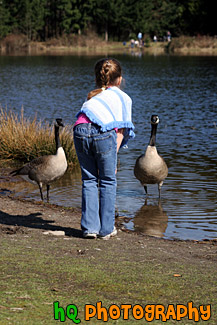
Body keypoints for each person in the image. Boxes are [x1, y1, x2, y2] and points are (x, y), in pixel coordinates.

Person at [73, 58, 135, 240]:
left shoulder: (94, 95)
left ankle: (90, 229)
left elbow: (87, 119)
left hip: (80, 129)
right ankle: (106, 229)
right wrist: (112, 159)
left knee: (89, 179)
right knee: (108, 180)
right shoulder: (123, 98)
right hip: (102, 132)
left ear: (97, 79)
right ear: (120, 79)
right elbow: (121, 131)